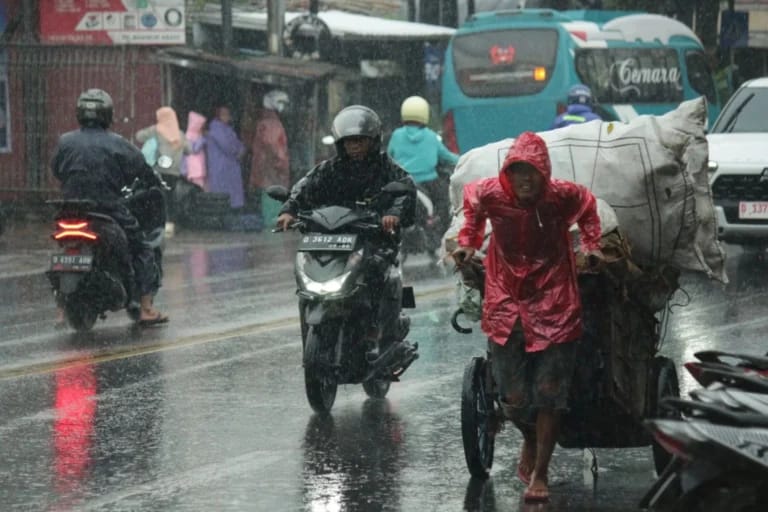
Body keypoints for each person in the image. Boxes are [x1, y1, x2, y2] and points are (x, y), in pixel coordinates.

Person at [451, 131, 604, 502]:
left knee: (550, 392)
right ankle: (530, 437)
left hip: (555, 298)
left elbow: (588, 208)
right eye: (517, 171)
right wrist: (468, 242)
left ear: (544, 174)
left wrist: (592, 246)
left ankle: (541, 472)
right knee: (515, 397)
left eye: (531, 172)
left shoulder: (562, 196)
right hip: (506, 299)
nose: (524, 180)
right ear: (507, 174)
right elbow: (471, 206)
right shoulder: (491, 193)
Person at [276, 105, 417, 350]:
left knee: (378, 272)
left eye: (360, 141)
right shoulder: (329, 169)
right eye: (349, 142)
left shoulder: (387, 168)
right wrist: (289, 209)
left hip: (374, 239)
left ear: (373, 141)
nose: (354, 147)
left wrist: (392, 214)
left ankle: (382, 332)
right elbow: (303, 187)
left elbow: (405, 190)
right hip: (333, 238)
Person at [51, 88, 168, 325]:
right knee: (143, 247)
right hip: (107, 210)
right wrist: (155, 181)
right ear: (107, 115)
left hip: (70, 210)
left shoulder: (65, 141)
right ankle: (145, 308)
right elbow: (142, 169)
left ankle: (61, 310)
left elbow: (57, 169)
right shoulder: (117, 144)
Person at [387, 95, 458, 218]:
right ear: (425, 114)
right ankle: (439, 223)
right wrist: (465, 158)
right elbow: (448, 157)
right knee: (446, 202)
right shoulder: (430, 136)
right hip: (429, 183)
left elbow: (389, 157)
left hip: (403, 182)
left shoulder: (396, 135)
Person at [135, 106, 189, 236]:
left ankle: (157, 224)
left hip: (160, 170)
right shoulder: (180, 134)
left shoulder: (157, 130)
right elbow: (190, 149)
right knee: (171, 198)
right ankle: (170, 225)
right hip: (174, 172)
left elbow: (139, 137)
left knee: (157, 197)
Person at [248, 90, 291, 226]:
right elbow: (273, 147)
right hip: (272, 171)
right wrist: (281, 164)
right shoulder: (272, 123)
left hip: (265, 169)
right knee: (273, 203)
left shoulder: (265, 122)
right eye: (280, 103)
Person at [206, 106, 246, 209]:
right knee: (222, 192)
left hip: (229, 165)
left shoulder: (227, 129)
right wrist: (238, 151)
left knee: (230, 190)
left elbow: (237, 143)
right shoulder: (216, 129)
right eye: (224, 114)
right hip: (221, 165)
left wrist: (241, 149)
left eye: (228, 114)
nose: (228, 117)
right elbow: (227, 145)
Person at [181, 110, 208, 190]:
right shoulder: (191, 136)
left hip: (195, 166)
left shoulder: (191, 134)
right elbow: (194, 149)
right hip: (195, 167)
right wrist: (202, 139)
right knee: (198, 186)